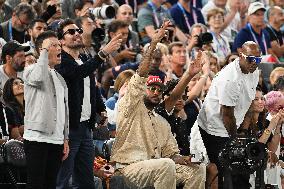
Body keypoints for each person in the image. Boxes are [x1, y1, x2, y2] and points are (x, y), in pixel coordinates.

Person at [111, 20, 206, 189]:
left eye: (159, 89)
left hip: (157, 167)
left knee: (198, 169)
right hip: (128, 168)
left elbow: (172, 155)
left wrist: (187, 159)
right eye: (151, 88)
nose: (156, 92)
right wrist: (154, 43)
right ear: (142, 90)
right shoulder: (130, 107)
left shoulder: (162, 121)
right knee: (165, 165)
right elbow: (141, 74)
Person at [55, 19, 122, 188]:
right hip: (69, 129)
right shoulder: (60, 60)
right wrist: (102, 53)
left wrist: (101, 108)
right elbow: (78, 73)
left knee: (86, 181)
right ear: (61, 40)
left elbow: (92, 86)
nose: (77, 33)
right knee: (63, 180)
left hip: (86, 128)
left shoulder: (84, 57)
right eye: (71, 32)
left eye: (78, 30)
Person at [196, 41, 261, 188]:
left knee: (242, 167)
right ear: (240, 55)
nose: (254, 63)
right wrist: (235, 139)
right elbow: (226, 115)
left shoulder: (254, 71)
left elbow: (249, 102)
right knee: (228, 171)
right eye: (251, 59)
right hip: (214, 129)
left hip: (232, 123)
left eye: (258, 59)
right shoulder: (230, 78)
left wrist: (246, 130)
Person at [23, 31, 69, 189]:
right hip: (37, 140)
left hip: (56, 141)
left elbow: (64, 112)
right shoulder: (30, 70)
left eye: (59, 45)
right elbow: (39, 78)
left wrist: (65, 138)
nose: (59, 48)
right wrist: (43, 52)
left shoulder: (60, 77)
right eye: (53, 45)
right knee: (36, 185)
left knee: (50, 185)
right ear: (41, 50)